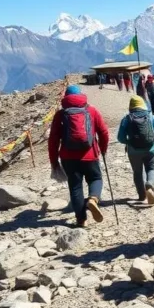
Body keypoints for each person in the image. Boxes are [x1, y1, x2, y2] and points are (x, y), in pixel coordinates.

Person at [49, 85, 110, 227]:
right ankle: (93, 199)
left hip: (68, 158)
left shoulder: (60, 115)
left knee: (75, 187)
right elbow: (104, 132)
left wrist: (54, 162)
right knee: (95, 178)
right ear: (81, 96)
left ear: (65, 98)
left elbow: (53, 140)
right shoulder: (92, 111)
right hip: (90, 154)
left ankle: (81, 219)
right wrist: (103, 149)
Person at [118, 95, 154, 205]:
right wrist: (153, 139)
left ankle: (142, 196)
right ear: (143, 105)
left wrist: (129, 142)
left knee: (137, 173)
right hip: (150, 148)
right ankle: (150, 186)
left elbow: (120, 138)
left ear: (131, 106)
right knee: (151, 169)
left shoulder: (126, 118)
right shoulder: (150, 116)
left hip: (133, 150)